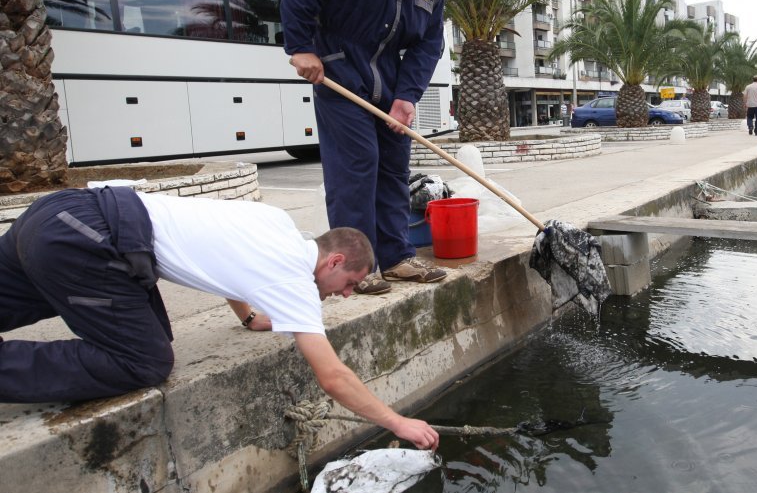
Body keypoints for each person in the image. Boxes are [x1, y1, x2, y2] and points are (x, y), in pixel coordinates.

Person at [0, 187, 439, 450]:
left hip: (61, 212)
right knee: (145, 360)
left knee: (146, 330)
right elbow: (333, 377)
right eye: (348, 283)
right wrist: (398, 423)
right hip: (89, 241)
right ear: (335, 260)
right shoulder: (294, 280)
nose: (344, 294)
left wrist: (249, 318)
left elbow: (225, 261)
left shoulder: (276, 223)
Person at [281, 0, 473, 295]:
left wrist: (407, 96)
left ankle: (397, 258)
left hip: (387, 81)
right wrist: (301, 47)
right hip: (340, 71)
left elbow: (428, 45)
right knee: (357, 165)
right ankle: (357, 266)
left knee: (393, 166)